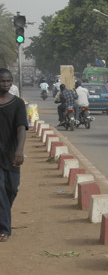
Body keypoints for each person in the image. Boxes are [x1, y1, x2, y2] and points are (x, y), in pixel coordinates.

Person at [0, 68, 27, 242]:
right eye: (3, 81)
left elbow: (21, 127)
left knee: (12, 189)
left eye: (9, 81)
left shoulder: (17, 103)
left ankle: (3, 216)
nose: (6, 84)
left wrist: (19, 150)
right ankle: (5, 229)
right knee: (0, 189)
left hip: (11, 153)